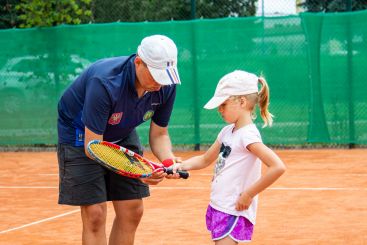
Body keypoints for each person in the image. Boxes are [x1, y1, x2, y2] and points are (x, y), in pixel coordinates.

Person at [57, 34, 182, 245]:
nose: (160, 84)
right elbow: (93, 146)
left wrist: (169, 162)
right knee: (95, 214)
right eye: (156, 75)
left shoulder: (166, 85)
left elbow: (160, 134)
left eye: (165, 76)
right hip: (82, 135)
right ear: (138, 63)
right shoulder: (105, 82)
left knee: (132, 210)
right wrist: (137, 171)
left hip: (121, 131)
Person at [173, 70, 287, 244]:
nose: (219, 109)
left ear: (241, 102)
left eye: (223, 104)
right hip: (219, 205)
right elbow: (205, 159)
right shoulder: (227, 131)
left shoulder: (247, 136)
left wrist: (249, 194)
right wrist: (181, 166)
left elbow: (278, 166)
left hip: (233, 210)